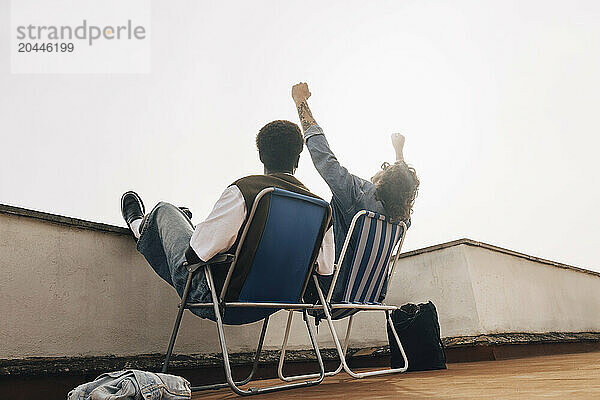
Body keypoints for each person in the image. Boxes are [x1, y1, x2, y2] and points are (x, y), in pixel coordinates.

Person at [121, 120, 334, 319]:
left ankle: (140, 226)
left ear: (261, 156)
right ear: (298, 156)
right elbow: (324, 271)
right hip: (271, 306)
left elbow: (196, 253)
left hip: (218, 300)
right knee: (192, 228)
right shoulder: (321, 209)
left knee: (163, 210)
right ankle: (180, 221)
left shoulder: (248, 190)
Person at [291, 82, 419, 302]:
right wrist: (399, 153)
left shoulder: (357, 196)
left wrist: (300, 102)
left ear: (381, 182)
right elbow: (404, 191)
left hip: (328, 292)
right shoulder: (402, 221)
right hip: (367, 296)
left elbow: (325, 158)